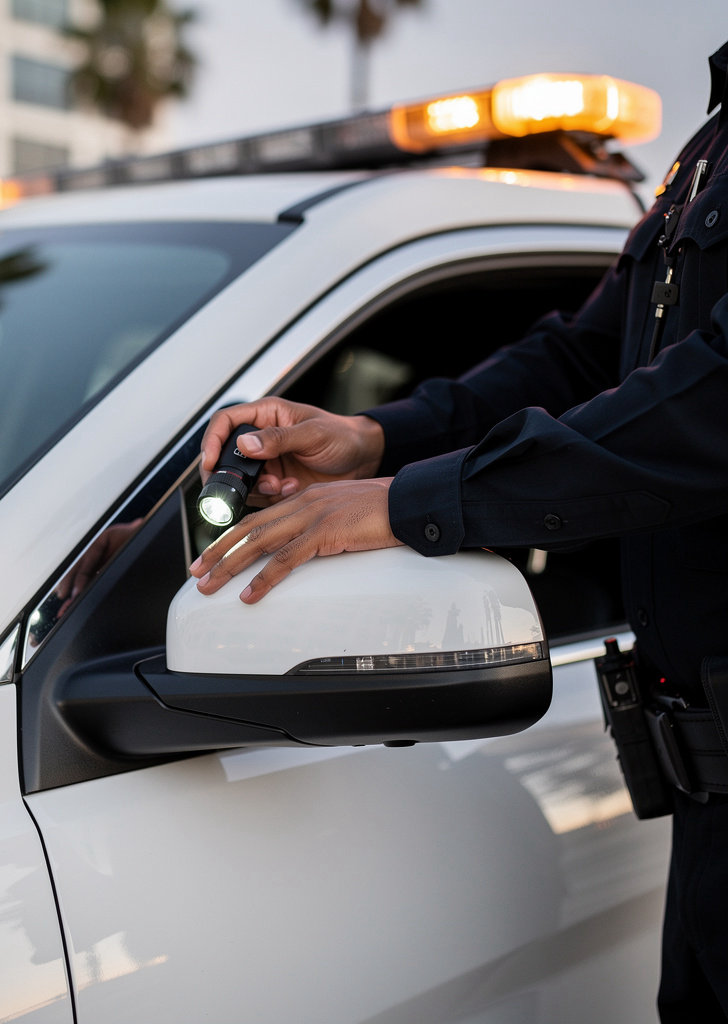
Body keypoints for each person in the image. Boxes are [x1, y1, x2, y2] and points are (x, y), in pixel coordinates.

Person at [190, 42, 728, 1022]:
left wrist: (410, 503)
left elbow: (706, 408)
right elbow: (579, 361)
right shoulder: (709, 151)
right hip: (704, 814)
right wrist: (371, 437)